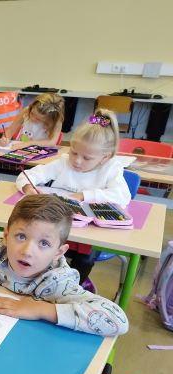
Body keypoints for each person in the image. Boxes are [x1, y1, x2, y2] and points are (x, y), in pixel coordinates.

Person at [0, 194, 128, 336]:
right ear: (6, 235)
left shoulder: (58, 281)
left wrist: (39, 309)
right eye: (21, 236)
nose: (27, 251)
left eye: (44, 243)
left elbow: (118, 320)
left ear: (58, 252)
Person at [15, 109, 130, 287]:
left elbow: (122, 196)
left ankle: (72, 286)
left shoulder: (111, 168)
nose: (77, 161)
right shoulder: (63, 163)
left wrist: (83, 195)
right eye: (74, 152)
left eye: (87, 158)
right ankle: (42, 285)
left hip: (89, 235)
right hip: (56, 230)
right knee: (40, 249)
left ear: (104, 157)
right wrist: (28, 188)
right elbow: (27, 175)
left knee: (84, 259)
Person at [0, 92, 64, 148]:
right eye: (32, 113)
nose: (32, 118)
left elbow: (51, 142)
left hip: (41, 151)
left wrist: (30, 143)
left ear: (50, 119)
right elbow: (11, 130)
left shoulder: (56, 121)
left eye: (38, 119)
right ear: (32, 106)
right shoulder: (26, 111)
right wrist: (5, 139)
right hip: (20, 148)